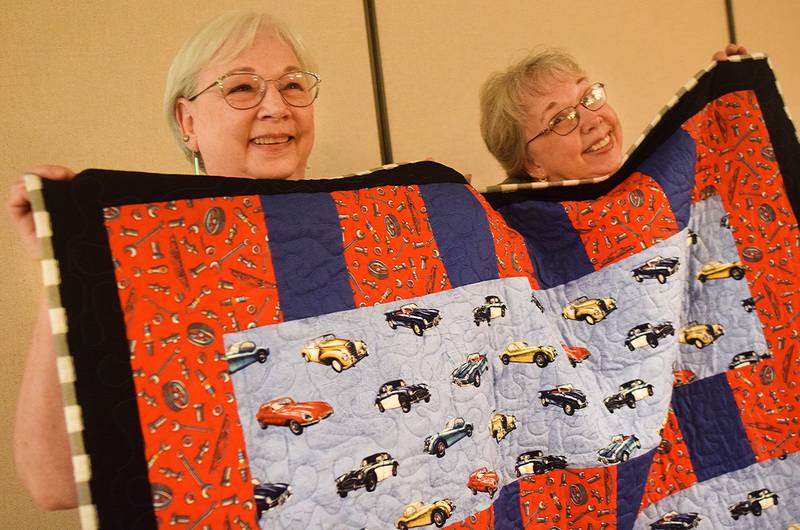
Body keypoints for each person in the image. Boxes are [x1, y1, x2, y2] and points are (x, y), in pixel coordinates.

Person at [7, 10, 320, 509]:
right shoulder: (142, 259)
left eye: (293, 86)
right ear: (187, 121)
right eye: (242, 89)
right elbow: (56, 483)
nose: (277, 107)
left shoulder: (379, 240)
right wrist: (64, 265)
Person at [479, 44, 748, 184]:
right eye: (561, 118)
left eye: (587, 97)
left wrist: (735, 107)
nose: (591, 119)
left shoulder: (663, 186)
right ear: (531, 164)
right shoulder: (517, 241)